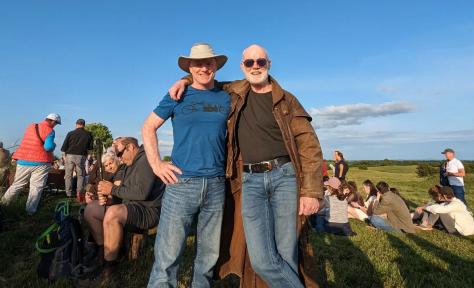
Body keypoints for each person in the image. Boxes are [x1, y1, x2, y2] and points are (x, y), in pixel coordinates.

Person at [168, 44, 323, 287]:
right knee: (262, 259)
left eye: (260, 61)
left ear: (268, 64)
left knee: (286, 253)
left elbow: (309, 145)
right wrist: (184, 79)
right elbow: (206, 78)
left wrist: (312, 191)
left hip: (285, 177)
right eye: (249, 62)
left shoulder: (287, 100)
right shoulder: (234, 92)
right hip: (250, 181)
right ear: (242, 66)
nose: (255, 66)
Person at [143, 43, 230, 287]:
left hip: (216, 184)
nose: (204, 67)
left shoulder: (227, 96)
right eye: (197, 63)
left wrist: (183, 79)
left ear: (216, 66)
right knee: (168, 256)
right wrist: (157, 165)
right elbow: (148, 127)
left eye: (209, 63)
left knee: (208, 257)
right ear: (189, 67)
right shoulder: (176, 94)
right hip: (182, 183)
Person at [83, 137, 164, 284]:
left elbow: (141, 193)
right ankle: (105, 252)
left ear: (131, 147)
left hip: (147, 210)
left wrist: (112, 189)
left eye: (119, 154)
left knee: (113, 214)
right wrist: (109, 199)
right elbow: (123, 194)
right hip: (131, 206)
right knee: (91, 210)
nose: (119, 158)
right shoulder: (129, 164)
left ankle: (110, 268)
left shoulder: (146, 158)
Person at [0, 113, 61, 215]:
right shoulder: (50, 131)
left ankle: (3, 205)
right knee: (36, 187)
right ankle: (30, 211)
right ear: (53, 122)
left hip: (23, 159)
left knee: (17, 184)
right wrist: (54, 145)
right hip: (40, 162)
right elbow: (48, 147)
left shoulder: (31, 126)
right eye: (56, 124)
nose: (55, 126)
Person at [61, 118, 93, 202]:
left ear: (76, 124)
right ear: (84, 125)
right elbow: (90, 148)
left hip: (70, 155)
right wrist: (86, 157)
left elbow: (64, 147)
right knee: (80, 175)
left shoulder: (70, 133)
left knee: (68, 175)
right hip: (81, 156)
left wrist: (64, 157)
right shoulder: (89, 134)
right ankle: (79, 193)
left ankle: (68, 193)